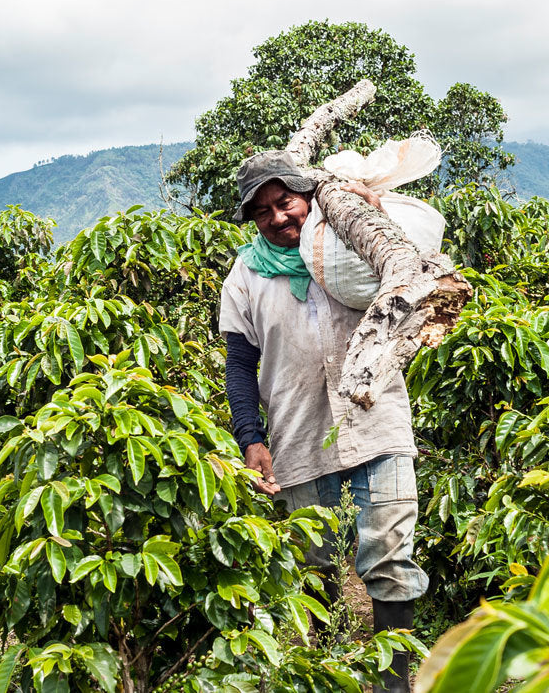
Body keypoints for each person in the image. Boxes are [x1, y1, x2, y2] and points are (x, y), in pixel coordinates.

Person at [218, 150, 427, 693]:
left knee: (389, 552)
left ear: (306, 196)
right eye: (262, 211)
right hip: (298, 434)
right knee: (315, 564)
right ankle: (329, 672)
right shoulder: (245, 273)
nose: (278, 217)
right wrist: (251, 438)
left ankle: (394, 684)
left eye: (284, 201)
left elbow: (406, 277)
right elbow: (240, 364)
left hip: (377, 423)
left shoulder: (346, 243)